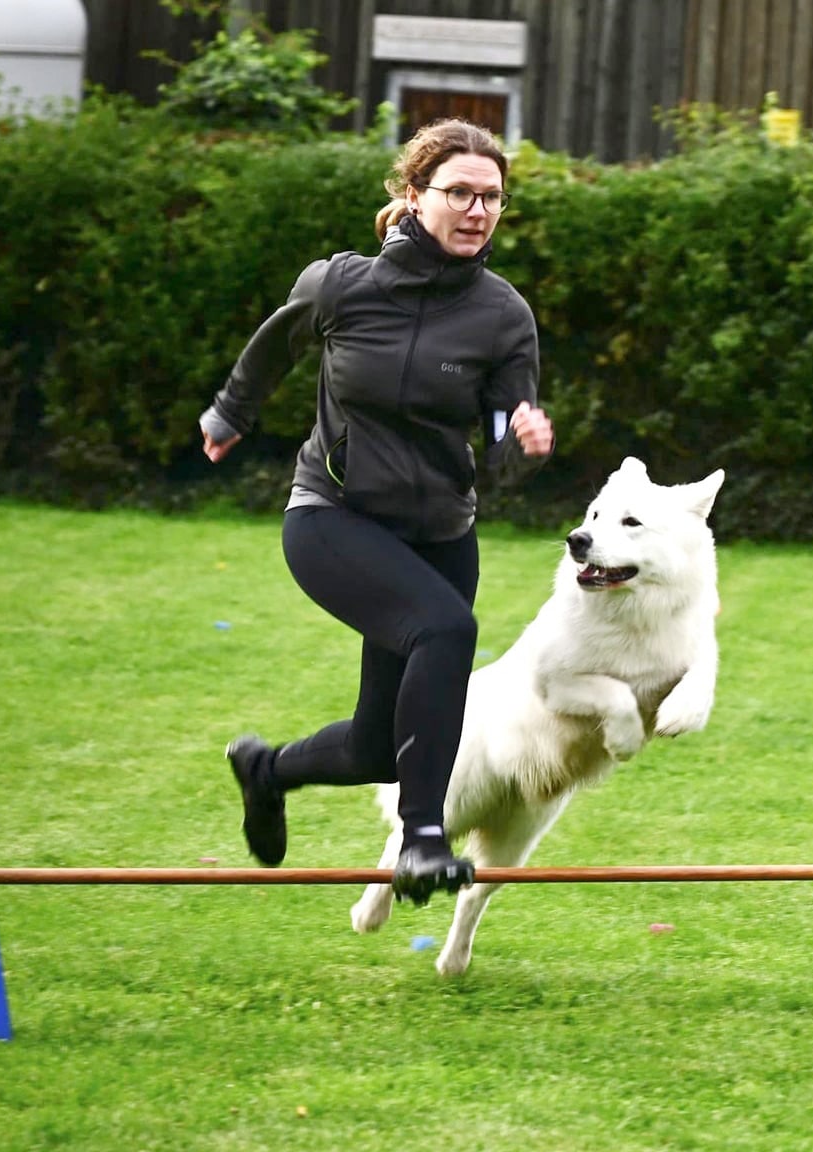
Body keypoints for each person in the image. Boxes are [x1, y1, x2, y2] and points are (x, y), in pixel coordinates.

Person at [198, 118, 555, 906]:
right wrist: (230, 414)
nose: (478, 210)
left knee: (379, 746)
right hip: (334, 517)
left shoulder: (503, 315)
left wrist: (522, 442)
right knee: (446, 630)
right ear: (414, 194)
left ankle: (267, 769)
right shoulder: (341, 284)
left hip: (440, 536)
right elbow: (272, 347)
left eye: (492, 198)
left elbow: (500, 434)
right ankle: (424, 841)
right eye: (460, 192)